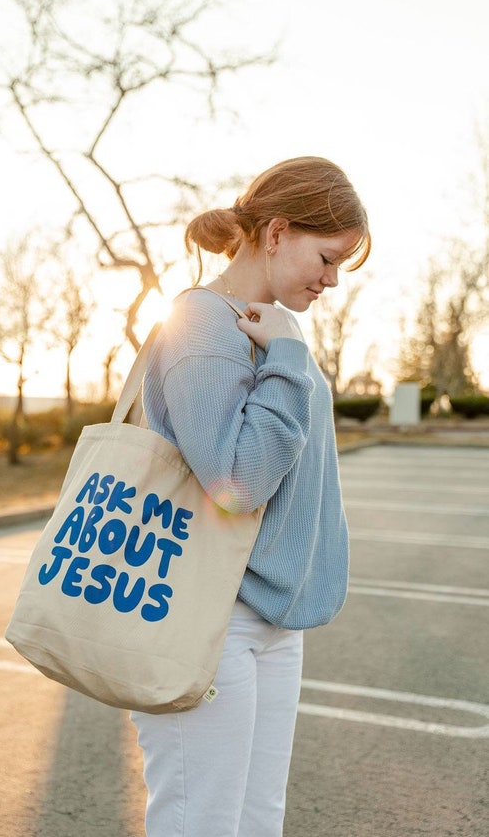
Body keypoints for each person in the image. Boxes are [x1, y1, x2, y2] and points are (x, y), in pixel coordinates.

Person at [130, 156, 371, 836]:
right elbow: (237, 486)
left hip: (267, 617)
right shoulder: (205, 326)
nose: (331, 281)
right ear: (276, 232)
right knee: (201, 823)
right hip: (209, 621)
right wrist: (290, 358)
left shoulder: (262, 323)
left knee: (257, 820)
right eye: (326, 259)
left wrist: (287, 349)